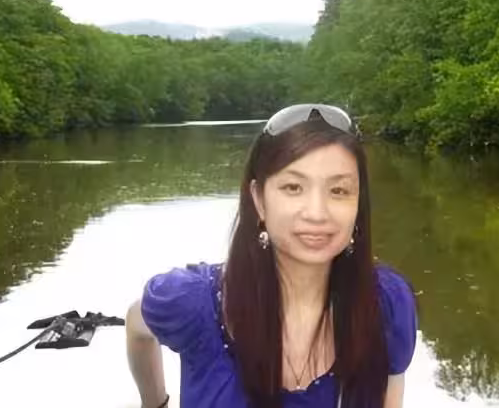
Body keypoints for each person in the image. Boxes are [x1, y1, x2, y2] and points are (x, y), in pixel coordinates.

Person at [125, 103, 418, 408]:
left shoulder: (386, 303)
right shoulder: (193, 302)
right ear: (259, 199)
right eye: (293, 187)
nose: (317, 213)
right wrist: (154, 402)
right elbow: (136, 325)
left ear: (358, 204)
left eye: (339, 191)